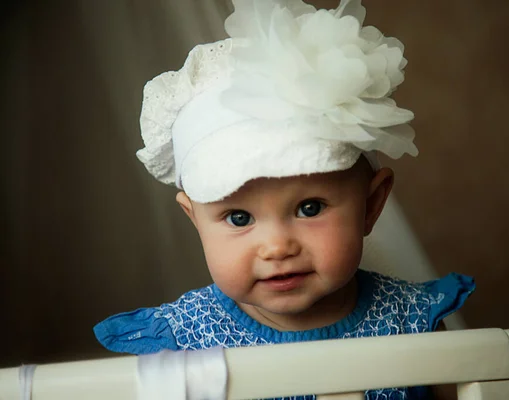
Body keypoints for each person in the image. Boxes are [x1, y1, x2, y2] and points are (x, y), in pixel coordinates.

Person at [94, 0, 475, 398]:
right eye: (239, 218)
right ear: (195, 220)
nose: (277, 247)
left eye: (309, 208)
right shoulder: (182, 343)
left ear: (372, 204)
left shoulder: (414, 322)